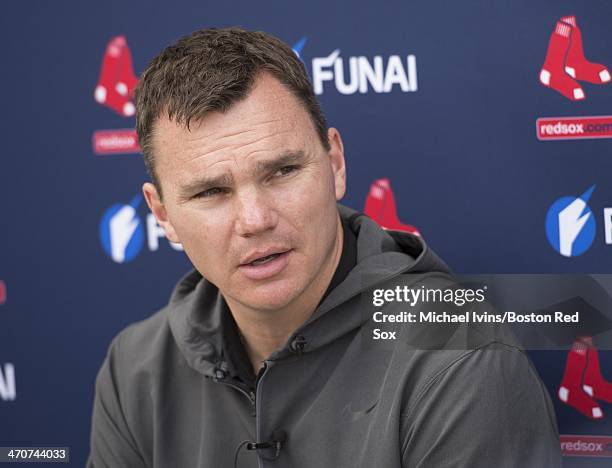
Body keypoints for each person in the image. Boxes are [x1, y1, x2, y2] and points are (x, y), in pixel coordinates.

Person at [87, 27, 561, 467]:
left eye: (282, 171)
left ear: (335, 163)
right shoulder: (135, 369)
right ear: (162, 213)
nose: (254, 220)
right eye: (211, 192)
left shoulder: (465, 361)